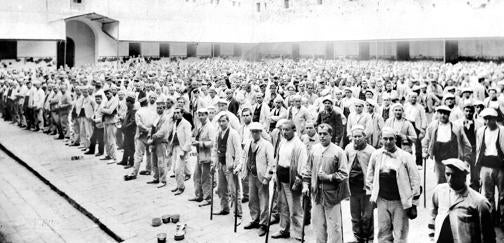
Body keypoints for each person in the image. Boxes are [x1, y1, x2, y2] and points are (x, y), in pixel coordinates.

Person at [366, 127, 421, 243]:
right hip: (382, 200)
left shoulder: (405, 156)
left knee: (400, 234)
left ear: (395, 139)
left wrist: (414, 204)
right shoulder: (376, 155)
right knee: (383, 233)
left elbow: (415, 180)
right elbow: (370, 175)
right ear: (381, 139)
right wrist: (372, 194)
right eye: (385, 139)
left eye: (391, 139)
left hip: (400, 202)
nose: (388, 142)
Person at [302, 123, 349, 243]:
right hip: (316, 194)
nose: (322, 136)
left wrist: (328, 177)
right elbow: (307, 169)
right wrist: (306, 185)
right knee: (318, 226)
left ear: (331, 135)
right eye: (320, 134)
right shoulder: (314, 150)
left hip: (332, 195)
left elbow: (344, 174)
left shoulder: (338, 152)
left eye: (325, 134)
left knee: (334, 228)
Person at [430, 158, 495, 243]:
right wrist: (432, 238)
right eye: (447, 174)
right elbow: (433, 217)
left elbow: (488, 237)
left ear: (464, 177)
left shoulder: (479, 202)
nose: (450, 179)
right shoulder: (439, 191)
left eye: (455, 175)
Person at [235, 122, 275, 237]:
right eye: (252, 131)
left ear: (261, 132)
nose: (254, 133)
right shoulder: (248, 143)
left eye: (257, 131)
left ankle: (263, 224)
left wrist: (268, 177)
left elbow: (271, 163)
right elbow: (244, 157)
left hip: (262, 176)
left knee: (264, 200)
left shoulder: (267, 145)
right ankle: (255, 220)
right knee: (252, 199)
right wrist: (239, 167)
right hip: (251, 175)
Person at [271, 120, 307, 240]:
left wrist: (299, 180)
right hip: (281, 179)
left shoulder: (299, 145)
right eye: (282, 130)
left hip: (292, 181)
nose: (284, 132)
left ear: (294, 130)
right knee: (283, 207)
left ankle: (298, 234)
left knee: (295, 209)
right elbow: (277, 159)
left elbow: (303, 165)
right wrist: (275, 176)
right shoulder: (282, 142)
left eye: (287, 130)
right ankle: (284, 229)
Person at [422, 106, 472, 184]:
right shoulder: (433, 126)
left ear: (449, 115)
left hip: (453, 158)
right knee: (440, 182)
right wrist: (425, 151)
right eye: (441, 113)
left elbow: (467, 144)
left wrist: (466, 160)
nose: (443, 115)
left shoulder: (456, 127)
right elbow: (426, 140)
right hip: (439, 159)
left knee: (454, 182)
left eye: (445, 113)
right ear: (437, 114)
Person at [345, 125, 375, 243]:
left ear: (365, 137)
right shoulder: (348, 148)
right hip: (353, 188)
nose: (356, 139)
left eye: (359, 136)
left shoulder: (371, 151)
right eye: (354, 137)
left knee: (367, 216)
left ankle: (369, 238)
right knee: (355, 216)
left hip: (366, 188)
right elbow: (345, 164)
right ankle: (357, 237)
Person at [475, 108, 504, 228]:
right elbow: (479, 149)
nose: (487, 121)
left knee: (503, 195)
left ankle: (502, 220)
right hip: (486, 166)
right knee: (488, 195)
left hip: (500, 166)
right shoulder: (481, 131)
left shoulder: (502, 131)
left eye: (490, 118)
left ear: (495, 119)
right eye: (485, 118)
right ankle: (491, 219)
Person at [212, 114, 243, 219]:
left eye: (224, 121)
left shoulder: (233, 134)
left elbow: (238, 150)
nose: (221, 123)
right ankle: (224, 208)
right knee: (221, 188)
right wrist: (214, 162)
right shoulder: (218, 134)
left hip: (230, 166)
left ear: (228, 121)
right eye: (220, 121)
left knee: (234, 191)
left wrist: (237, 165)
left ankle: (238, 213)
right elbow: (215, 149)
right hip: (221, 164)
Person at [124, 96, 157, 181]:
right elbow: (155, 123)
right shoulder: (152, 111)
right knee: (149, 153)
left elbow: (138, 124)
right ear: (147, 103)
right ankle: (148, 169)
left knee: (138, 155)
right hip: (150, 134)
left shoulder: (138, 112)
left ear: (140, 103)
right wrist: (150, 130)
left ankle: (134, 173)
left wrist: (145, 129)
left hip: (141, 135)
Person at [454, 102, 483, 191]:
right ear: (463, 111)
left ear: (473, 112)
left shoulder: (479, 124)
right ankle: (463, 193)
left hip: (474, 150)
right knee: (461, 172)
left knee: (475, 176)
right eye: (466, 111)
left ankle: (475, 193)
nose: (468, 113)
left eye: (470, 111)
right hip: (462, 151)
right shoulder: (457, 123)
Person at [190, 108, 216, 206]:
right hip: (199, 154)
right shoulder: (200, 125)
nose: (201, 117)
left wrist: (200, 143)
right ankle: (198, 195)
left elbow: (213, 142)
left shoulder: (210, 127)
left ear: (207, 115)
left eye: (203, 115)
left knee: (206, 177)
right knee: (197, 175)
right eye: (199, 115)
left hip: (207, 155)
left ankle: (207, 198)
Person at [169, 107, 193, 195]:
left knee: (178, 169)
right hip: (175, 147)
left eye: (178, 112)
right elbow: (174, 135)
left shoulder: (186, 124)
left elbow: (188, 138)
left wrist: (184, 150)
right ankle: (178, 185)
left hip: (182, 148)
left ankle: (181, 187)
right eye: (175, 113)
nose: (176, 114)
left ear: (182, 113)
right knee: (175, 169)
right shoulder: (176, 123)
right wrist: (170, 147)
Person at [147, 100, 170, 188]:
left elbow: (163, 131)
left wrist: (154, 136)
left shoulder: (165, 118)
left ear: (164, 109)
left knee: (161, 161)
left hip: (161, 142)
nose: (159, 109)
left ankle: (163, 180)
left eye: (161, 108)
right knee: (154, 161)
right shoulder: (156, 117)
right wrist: (149, 136)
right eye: (158, 108)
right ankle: (156, 177)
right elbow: (151, 127)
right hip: (154, 142)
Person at [100, 88, 119, 163]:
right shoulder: (106, 100)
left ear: (111, 93)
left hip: (112, 121)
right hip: (106, 121)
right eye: (106, 94)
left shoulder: (115, 100)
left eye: (108, 93)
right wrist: (104, 110)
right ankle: (108, 154)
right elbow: (104, 109)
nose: (107, 95)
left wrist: (103, 110)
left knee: (111, 140)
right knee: (106, 139)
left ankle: (114, 157)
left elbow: (110, 111)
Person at [118, 96, 136, 168]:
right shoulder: (129, 110)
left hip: (130, 131)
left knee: (131, 147)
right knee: (126, 146)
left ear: (130, 103)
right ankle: (124, 160)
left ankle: (131, 162)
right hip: (126, 131)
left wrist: (125, 126)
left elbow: (133, 122)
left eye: (127, 102)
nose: (126, 103)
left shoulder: (133, 110)